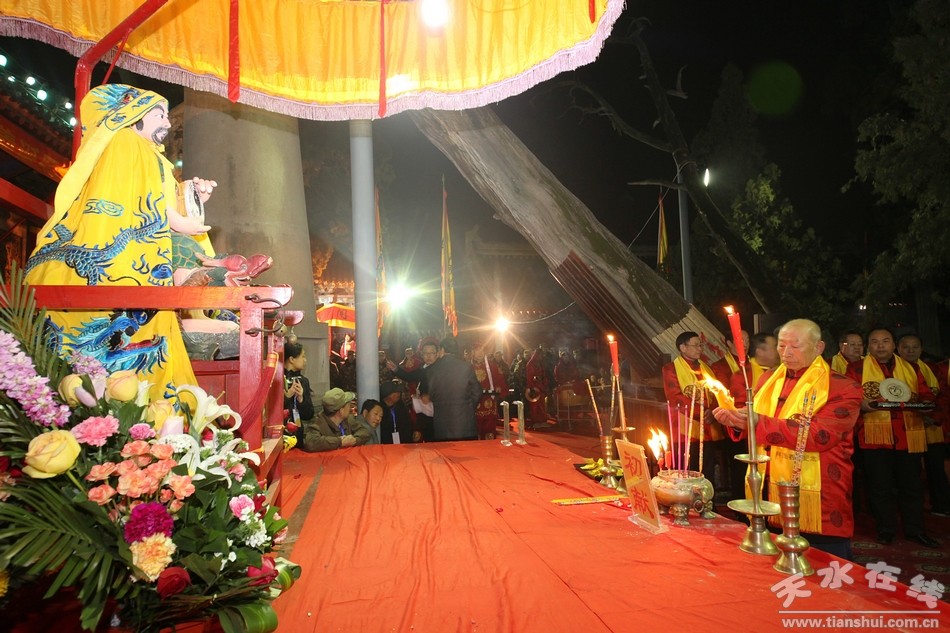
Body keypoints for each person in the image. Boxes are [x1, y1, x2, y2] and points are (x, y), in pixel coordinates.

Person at [25, 84, 216, 399]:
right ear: (133, 116)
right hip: (114, 255)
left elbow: (162, 205)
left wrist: (193, 198)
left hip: (140, 250)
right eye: (159, 115)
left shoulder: (152, 156)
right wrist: (178, 221)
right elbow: (139, 198)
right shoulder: (126, 142)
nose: (167, 123)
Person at [713, 319, 863, 560]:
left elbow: (819, 435)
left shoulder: (842, 387)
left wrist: (756, 422)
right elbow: (756, 425)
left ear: (819, 347)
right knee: (772, 567)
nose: (786, 352)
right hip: (768, 489)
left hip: (819, 493)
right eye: (782, 346)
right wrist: (737, 422)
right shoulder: (768, 380)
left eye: (795, 346)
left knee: (824, 567)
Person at [846, 327, 939, 548]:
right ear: (868, 346)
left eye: (885, 341)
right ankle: (886, 529)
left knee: (912, 485)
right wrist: (861, 405)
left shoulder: (912, 368)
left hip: (908, 435)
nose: (880, 346)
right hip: (875, 436)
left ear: (894, 345)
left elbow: (925, 395)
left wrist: (927, 405)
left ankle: (915, 530)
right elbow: (848, 398)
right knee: (880, 486)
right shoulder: (856, 368)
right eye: (875, 341)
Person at [897, 333, 950, 517]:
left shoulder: (932, 369)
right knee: (910, 471)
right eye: (906, 347)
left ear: (921, 349)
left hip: (931, 425)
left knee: (936, 467)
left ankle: (941, 504)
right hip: (907, 427)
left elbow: (943, 395)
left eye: (915, 347)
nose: (911, 351)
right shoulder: (892, 370)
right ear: (898, 349)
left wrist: (932, 416)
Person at [661, 331, 724, 475]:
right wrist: (702, 412)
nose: (699, 349)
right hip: (685, 428)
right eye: (695, 345)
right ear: (682, 347)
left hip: (707, 427)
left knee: (706, 470)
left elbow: (717, 392)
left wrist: (713, 411)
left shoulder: (706, 368)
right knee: (687, 471)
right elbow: (676, 398)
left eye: (700, 345)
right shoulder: (670, 369)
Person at [426, 336, 481, 441]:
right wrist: (467, 406)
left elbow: (432, 394)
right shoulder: (466, 367)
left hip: (442, 424)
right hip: (464, 423)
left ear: (442, 350)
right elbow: (477, 392)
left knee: (446, 451)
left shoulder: (432, 369)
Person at [299, 387, 370, 452]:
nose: (350, 408)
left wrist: (354, 440)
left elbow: (364, 431)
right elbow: (311, 443)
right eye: (348, 405)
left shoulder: (348, 419)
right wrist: (340, 442)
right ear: (341, 410)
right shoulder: (317, 424)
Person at [471, 341, 508, 439]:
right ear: (473, 352)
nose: (480, 353)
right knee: (475, 426)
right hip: (474, 402)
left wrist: (498, 387)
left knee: (489, 426)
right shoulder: (468, 367)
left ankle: (490, 445)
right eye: (477, 351)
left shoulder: (492, 366)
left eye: (482, 350)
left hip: (489, 401)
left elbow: (499, 379)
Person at [282, 341, 314, 443]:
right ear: (292, 359)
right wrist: (287, 397)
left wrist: (301, 399)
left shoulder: (303, 381)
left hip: (298, 434)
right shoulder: (278, 379)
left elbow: (308, 415)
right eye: (303, 356)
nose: (305, 360)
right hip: (281, 433)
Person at [525, 346, 552, 430]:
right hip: (535, 387)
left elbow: (544, 375)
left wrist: (545, 384)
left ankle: (542, 421)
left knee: (542, 405)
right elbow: (530, 377)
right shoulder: (530, 364)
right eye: (540, 355)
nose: (541, 356)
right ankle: (535, 421)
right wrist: (531, 387)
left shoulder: (540, 363)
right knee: (535, 406)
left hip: (541, 387)